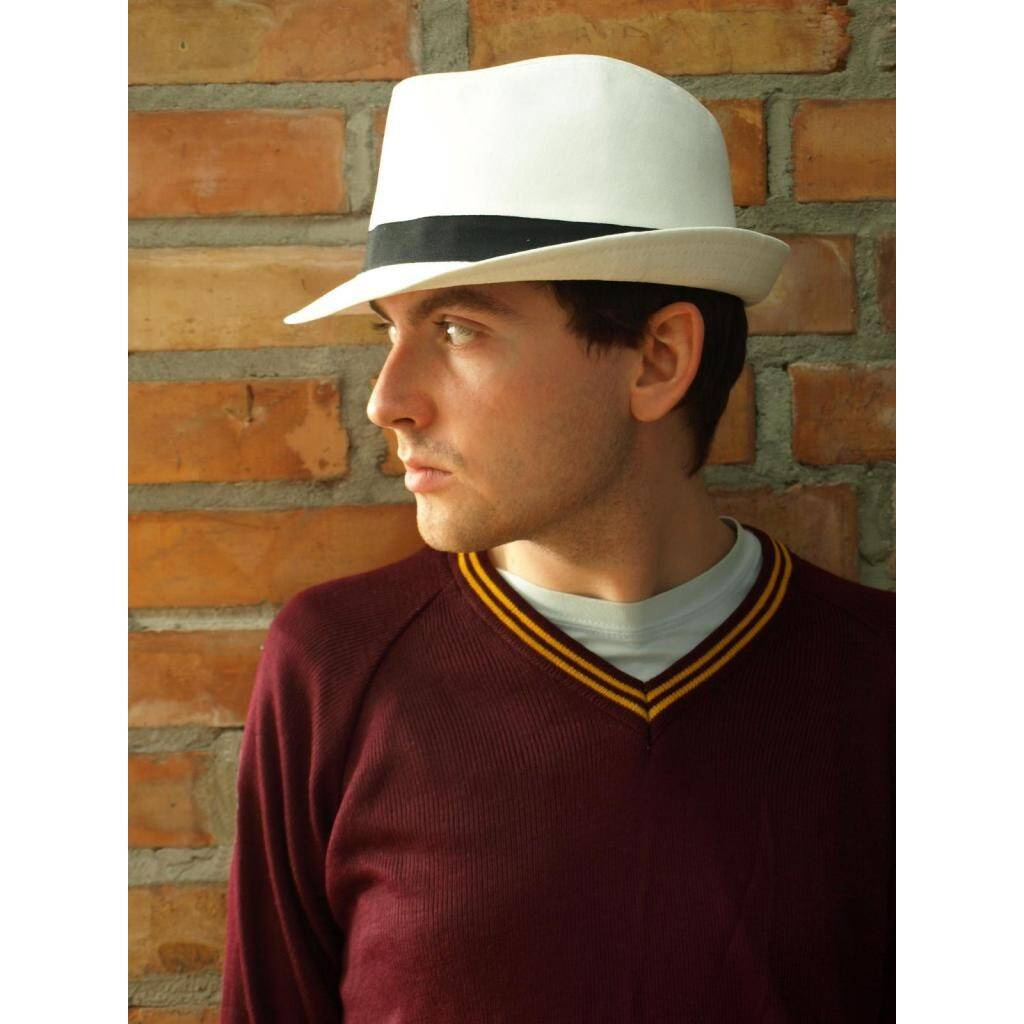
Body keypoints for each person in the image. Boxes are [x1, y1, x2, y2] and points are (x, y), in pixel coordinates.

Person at [221, 54, 894, 1022]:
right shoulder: (334, 671)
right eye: (387, 332)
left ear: (656, 359)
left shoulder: (893, 689)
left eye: (457, 329)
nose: (387, 401)